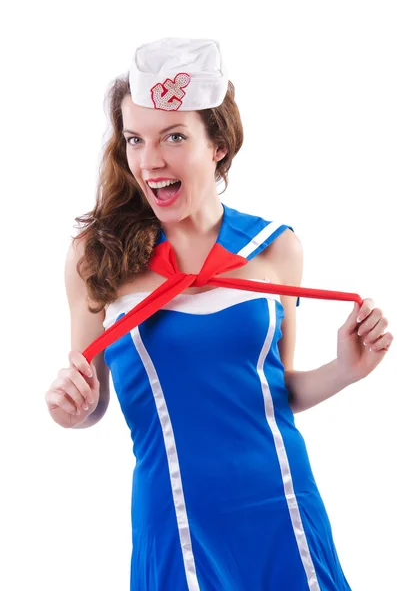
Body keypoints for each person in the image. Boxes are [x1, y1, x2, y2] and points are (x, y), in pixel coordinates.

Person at [45, 38, 393, 590]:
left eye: (175, 137)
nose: (150, 160)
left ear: (219, 146)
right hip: (174, 514)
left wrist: (348, 369)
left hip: (282, 504)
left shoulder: (275, 248)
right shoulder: (96, 257)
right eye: (136, 139)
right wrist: (72, 411)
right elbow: (89, 399)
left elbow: (271, 392)